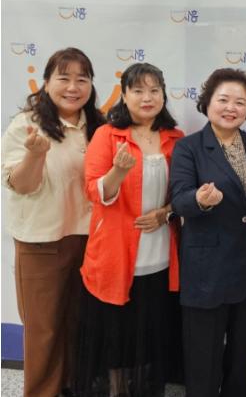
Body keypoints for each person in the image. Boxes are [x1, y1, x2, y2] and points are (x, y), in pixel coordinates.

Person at [74, 63, 183, 397]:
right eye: (138, 91)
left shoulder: (175, 138)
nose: (147, 98)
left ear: (163, 95)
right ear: (124, 95)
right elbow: (94, 191)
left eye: (154, 90)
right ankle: (115, 391)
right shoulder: (107, 135)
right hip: (115, 255)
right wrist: (118, 172)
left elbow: (184, 194)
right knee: (115, 336)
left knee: (149, 334)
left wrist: (165, 213)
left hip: (160, 255)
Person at [1, 47, 105, 397]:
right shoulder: (26, 125)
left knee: (79, 324)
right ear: (46, 83)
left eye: (82, 79)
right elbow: (22, 185)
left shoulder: (98, 125)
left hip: (89, 241)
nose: (73, 87)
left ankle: (72, 387)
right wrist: (35, 155)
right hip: (42, 242)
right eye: (64, 78)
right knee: (44, 330)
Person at [169, 68, 246, 397]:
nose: (231, 108)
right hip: (206, 267)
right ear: (207, 102)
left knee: (241, 356)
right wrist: (200, 200)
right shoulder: (189, 147)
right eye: (223, 99)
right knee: (203, 357)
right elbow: (180, 199)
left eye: (240, 102)